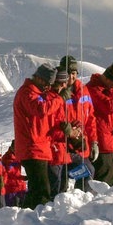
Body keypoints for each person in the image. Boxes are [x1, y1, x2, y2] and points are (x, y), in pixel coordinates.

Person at [13, 63, 65, 209]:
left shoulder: (35, 94)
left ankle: (26, 218)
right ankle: (36, 220)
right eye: (48, 84)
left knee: (37, 188)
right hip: (32, 148)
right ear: (40, 79)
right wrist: (59, 99)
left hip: (39, 147)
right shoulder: (27, 93)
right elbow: (41, 109)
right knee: (42, 190)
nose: (49, 87)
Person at [57, 55, 97, 192]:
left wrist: (94, 142)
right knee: (61, 183)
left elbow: (90, 118)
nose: (70, 77)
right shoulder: (57, 92)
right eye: (67, 73)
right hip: (62, 147)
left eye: (73, 73)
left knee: (88, 172)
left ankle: (81, 201)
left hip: (80, 146)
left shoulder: (83, 90)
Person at [47, 69, 77, 198]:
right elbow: (51, 125)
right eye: (62, 83)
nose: (64, 85)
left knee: (62, 185)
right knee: (55, 186)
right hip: (54, 149)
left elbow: (67, 120)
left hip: (63, 149)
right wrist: (67, 131)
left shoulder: (61, 99)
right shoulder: (51, 99)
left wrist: (76, 126)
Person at [1, 140, 27, 207]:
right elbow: (10, 173)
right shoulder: (7, 158)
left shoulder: (18, 156)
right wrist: (22, 177)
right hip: (11, 188)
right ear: (12, 147)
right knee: (13, 210)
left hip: (20, 186)